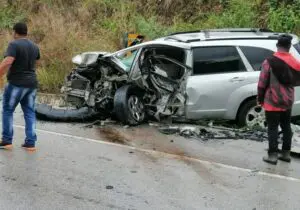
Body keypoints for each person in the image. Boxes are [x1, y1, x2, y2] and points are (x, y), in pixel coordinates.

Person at [257, 34, 300, 165]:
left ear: (277, 46)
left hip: (272, 101)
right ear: (289, 47)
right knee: (286, 126)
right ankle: (286, 153)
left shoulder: (269, 62)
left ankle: (273, 155)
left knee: (272, 128)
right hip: (288, 101)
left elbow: (262, 82)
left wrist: (260, 98)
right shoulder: (296, 63)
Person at [0, 22, 40, 151]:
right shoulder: (34, 46)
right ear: (26, 32)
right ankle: (30, 143)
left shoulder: (14, 44)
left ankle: (6, 141)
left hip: (16, 83)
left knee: (7, 110)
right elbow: (36, 62)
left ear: (15, 32)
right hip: (32, 84)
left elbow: (8, 61)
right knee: (29, 112)